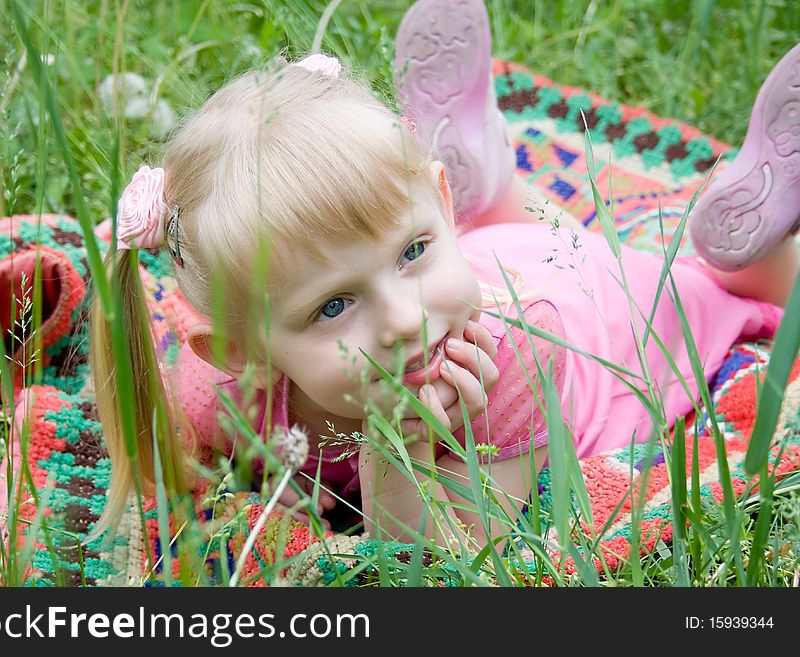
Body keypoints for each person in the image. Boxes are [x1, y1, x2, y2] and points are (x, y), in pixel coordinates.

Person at [89, 0, 799, 549]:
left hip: (590, 302)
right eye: (334, 306)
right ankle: (486, 192)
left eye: (411, 249)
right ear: (240, 353)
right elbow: (168, 439)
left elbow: (448, 557)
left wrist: (394, 453)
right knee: (499, 243)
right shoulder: (225, 394)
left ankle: (749, 237)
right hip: (477, 261)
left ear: (439, 206)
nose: (401, 318)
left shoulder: (508, 359)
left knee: (716, 289)